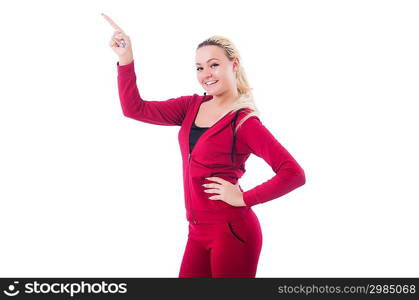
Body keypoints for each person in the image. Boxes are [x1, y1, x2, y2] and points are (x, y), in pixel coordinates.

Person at [102, 13, 306, 278]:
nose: (206, 74)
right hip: (196, 232)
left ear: (234, 65)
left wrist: (243, 198)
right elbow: (134, 109)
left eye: (213, 65)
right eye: (199, 68)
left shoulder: (244, 122)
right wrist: (125, 59)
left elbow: (294, 174)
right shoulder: (190, 106)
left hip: (232, 232)